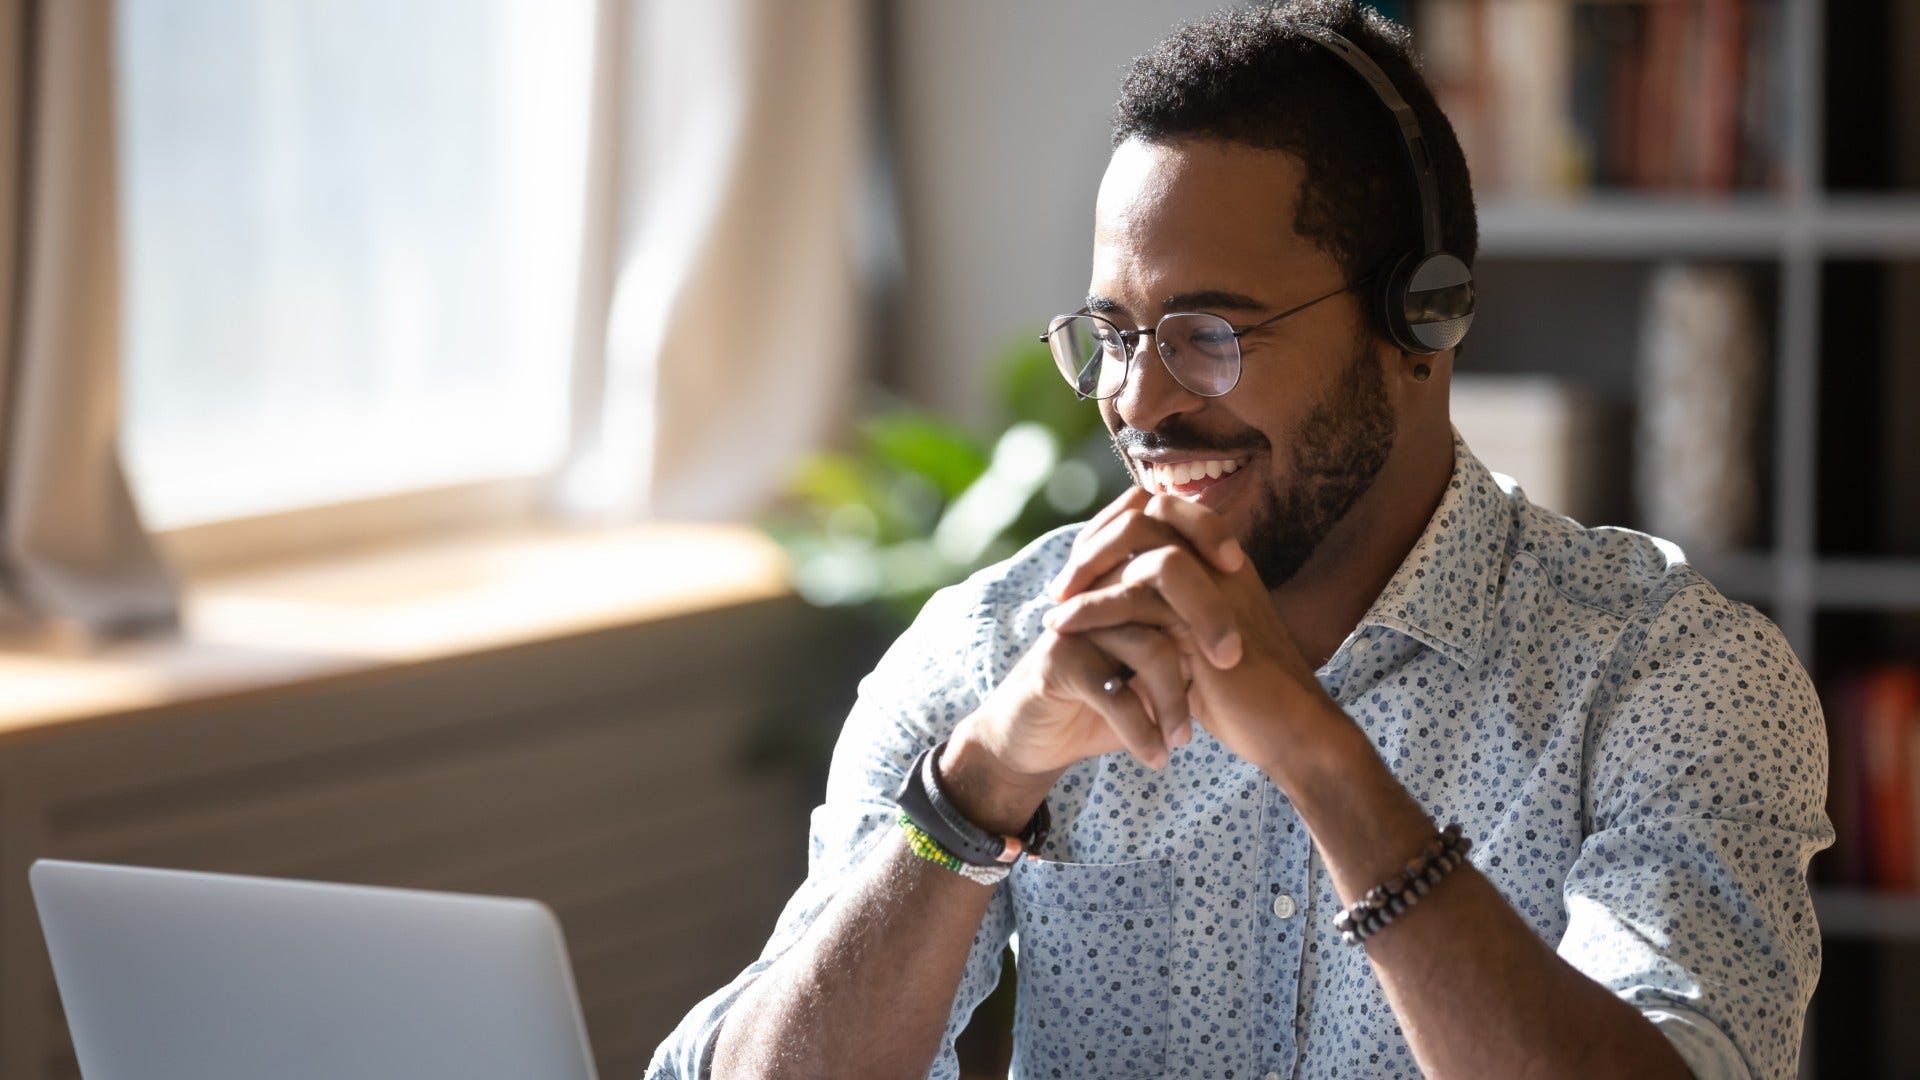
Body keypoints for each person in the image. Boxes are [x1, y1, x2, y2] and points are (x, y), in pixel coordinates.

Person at [647, 2, 1831, 1078]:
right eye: (1114, 335)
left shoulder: (1672, 681)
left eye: (1209, 332)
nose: (1140, 402)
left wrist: (1325, 763)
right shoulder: (993, 655)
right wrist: (978, 790)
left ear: (1422, 320)